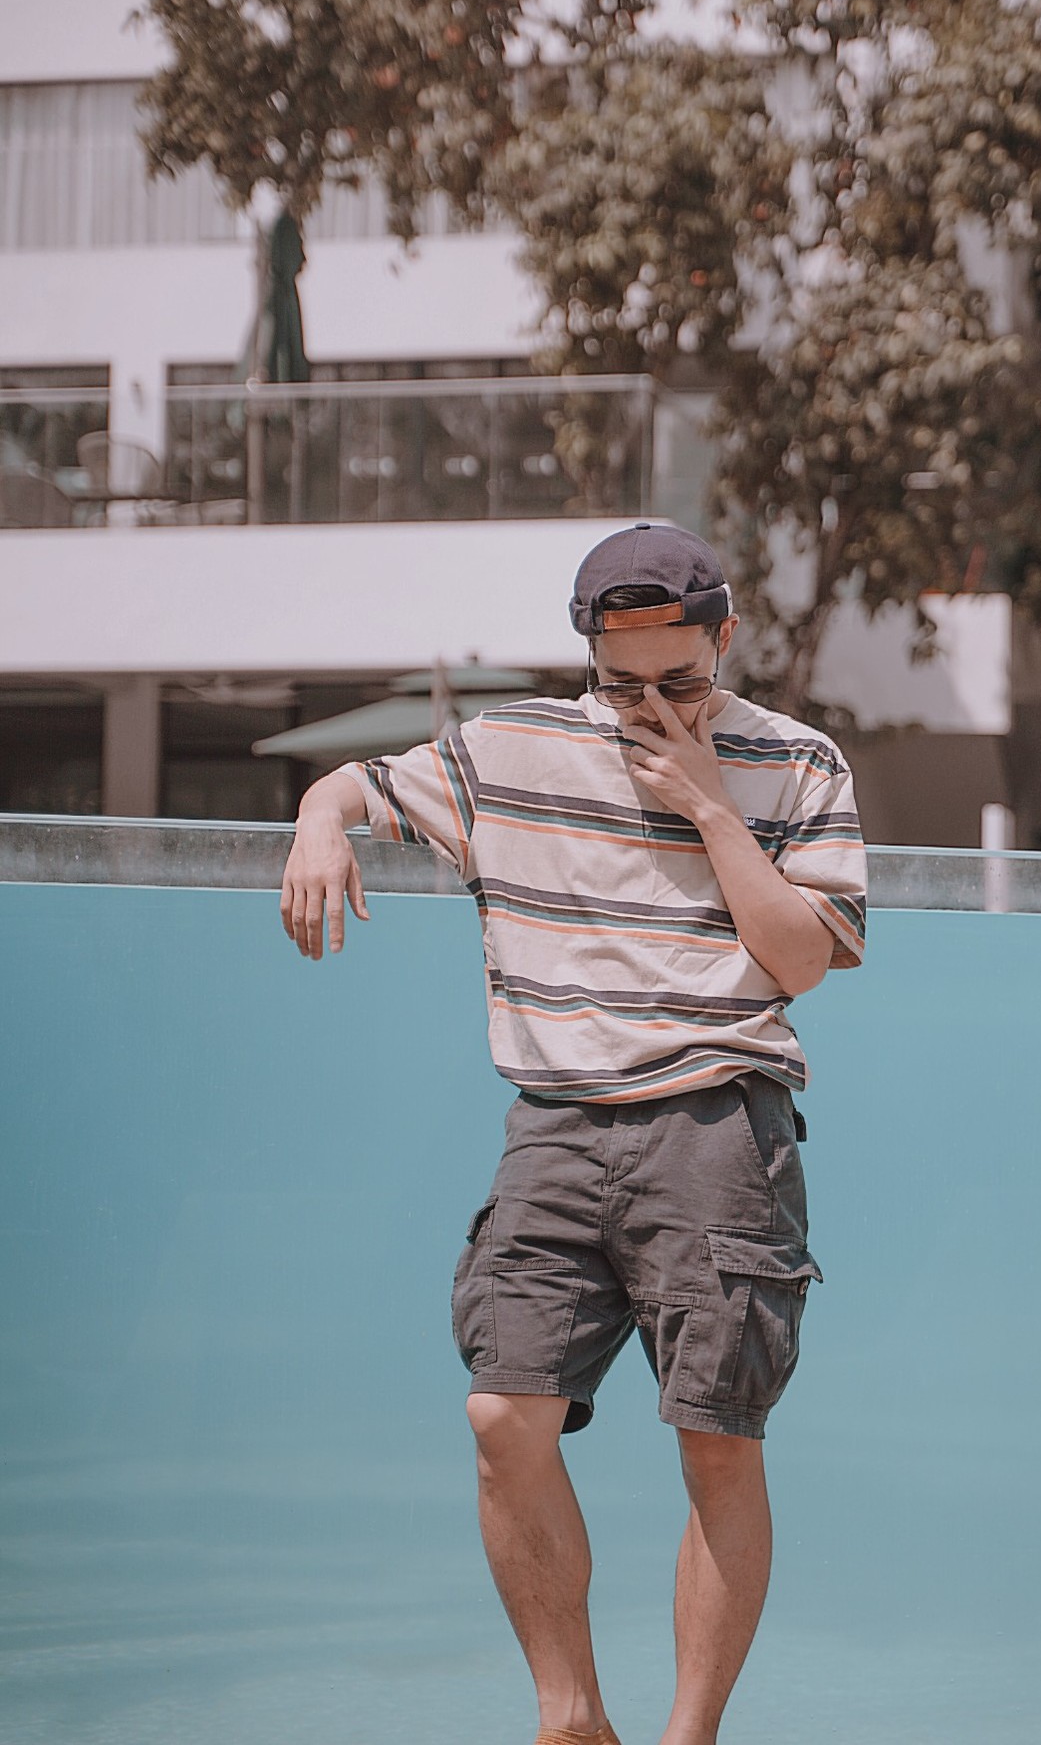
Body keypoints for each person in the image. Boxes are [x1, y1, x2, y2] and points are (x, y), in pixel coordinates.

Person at [280, 523, 866, 1745]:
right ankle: (571, 1719)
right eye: (620, 681)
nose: (649, 705)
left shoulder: (796, 760)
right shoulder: (510, 749)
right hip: (551, 1124)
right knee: (503, 1416)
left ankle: (687, 1736)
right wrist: (318, 822)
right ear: (586, 653)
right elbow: (357, 785)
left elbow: (803, 959)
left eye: (679, 680)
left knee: (717, 1442)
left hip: (716, 1121)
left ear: (725, 637)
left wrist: (708, 805)